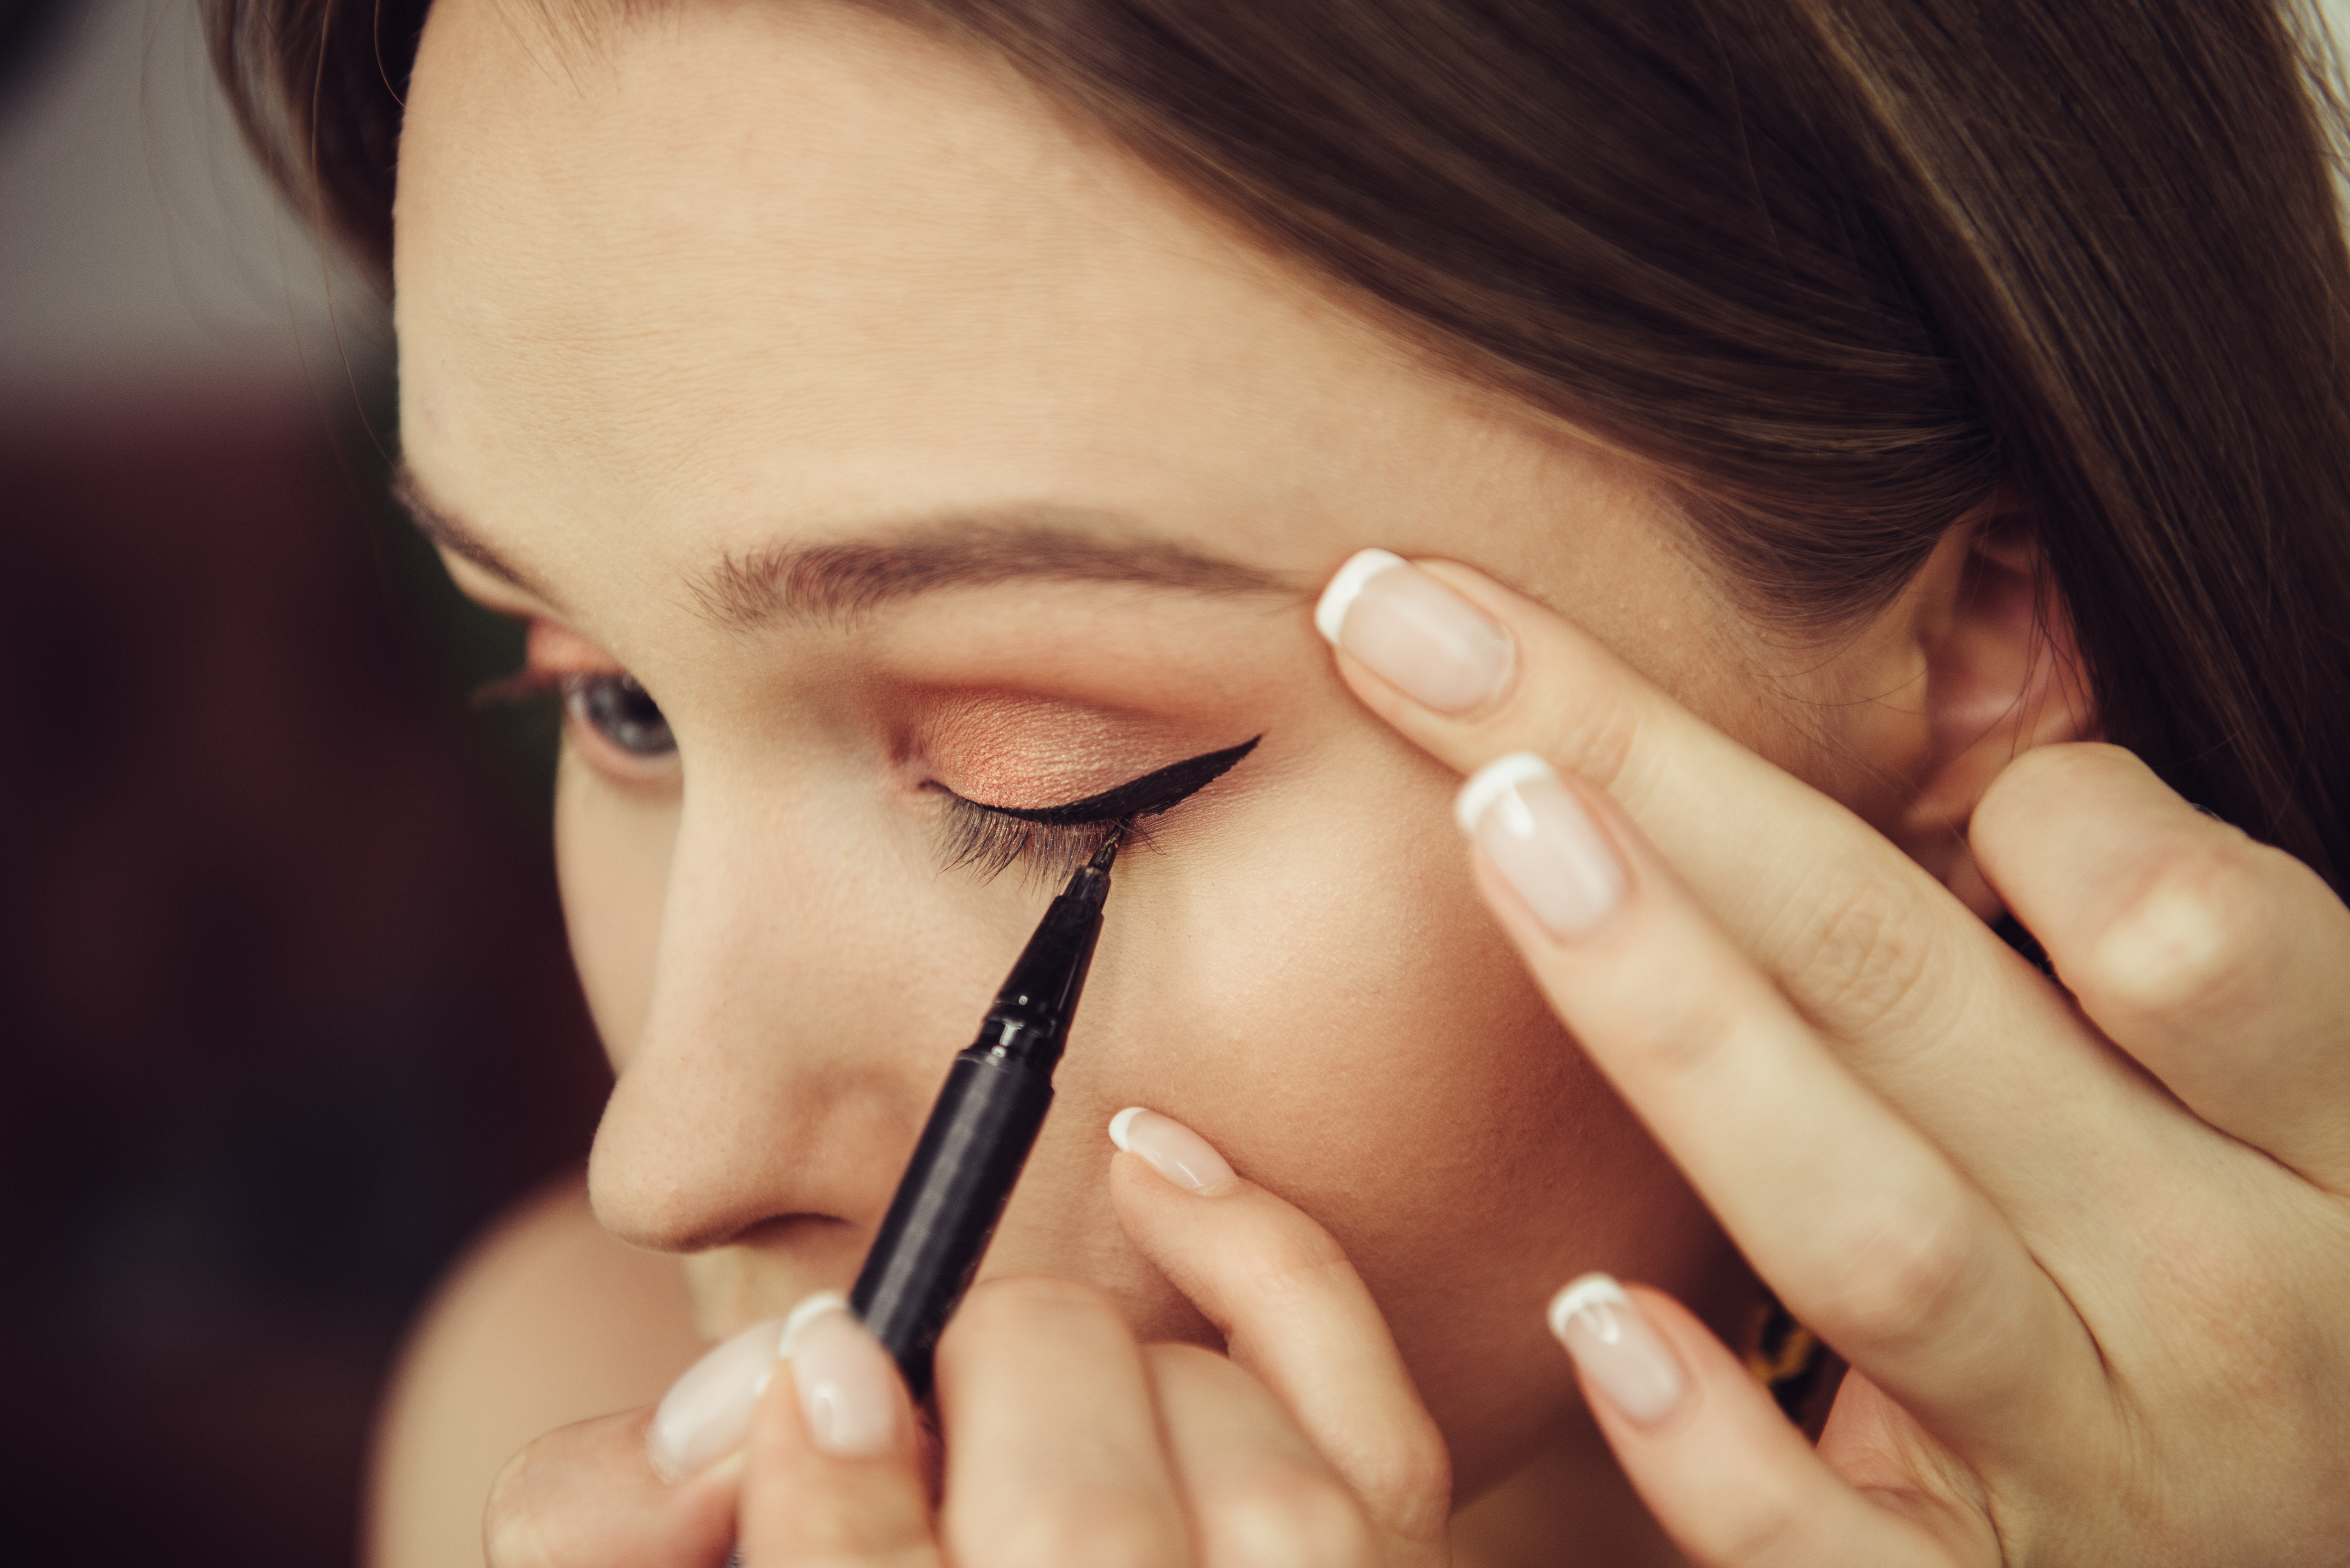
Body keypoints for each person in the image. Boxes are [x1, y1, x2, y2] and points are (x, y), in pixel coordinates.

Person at [207, 0, 2350, 1562]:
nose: (667, 1161)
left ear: (1976, 645)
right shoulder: (552, 1417)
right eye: (617, 705)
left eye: (1063, 783)